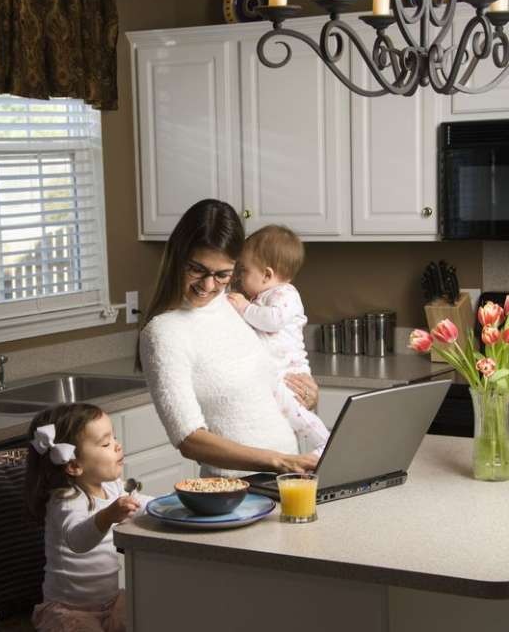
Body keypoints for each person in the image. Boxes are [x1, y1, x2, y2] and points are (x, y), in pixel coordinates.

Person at [138, 198, 320, 478]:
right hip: (234, 494)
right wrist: (279, 461)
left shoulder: (236, 307)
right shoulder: (163, 332)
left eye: (223, 274)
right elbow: (189, 439)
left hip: (288, 481)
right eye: (197, 269)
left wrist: (306, 396)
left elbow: (263, 391)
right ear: (177, 256)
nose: (209, 285)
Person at [25, 403, 151, 632]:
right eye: (105, 443)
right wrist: (108, 515)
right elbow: (78, 540)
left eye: (114, 437)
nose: (117, 445)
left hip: (111, 602)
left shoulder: (112, 487)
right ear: (74, 465)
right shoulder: (65, 501)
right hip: (68, 610)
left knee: (147, 617)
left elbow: (138, 504)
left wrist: (175, 502)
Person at [227, 225, 330, 456]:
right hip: (275, 373)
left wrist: (244, 308)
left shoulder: (285, 294)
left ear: (267, 274)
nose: (239, 277)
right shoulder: (262, 296)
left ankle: (326, 445)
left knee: (295, 413)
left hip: (289, 372)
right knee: (289, 413)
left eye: (244, 271)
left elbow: (272, 321)